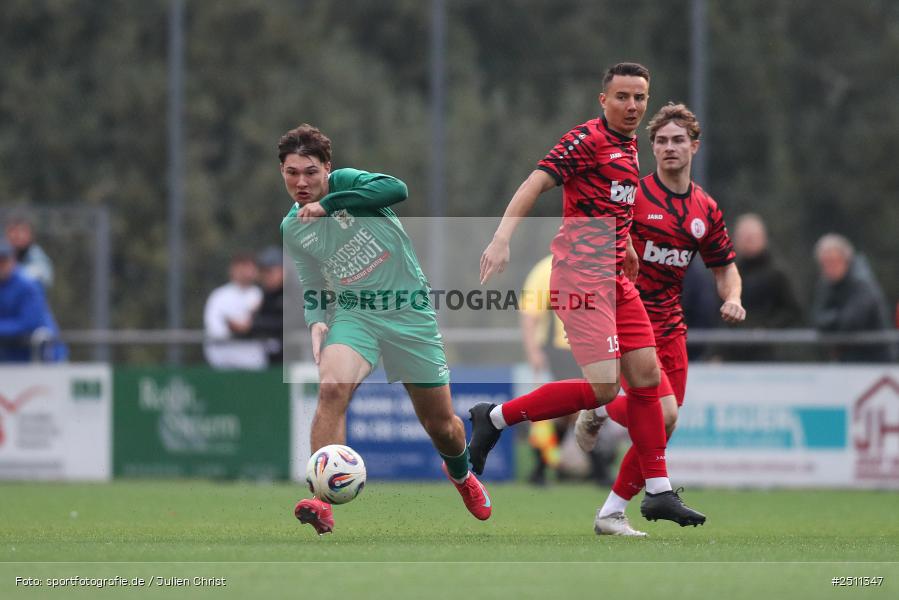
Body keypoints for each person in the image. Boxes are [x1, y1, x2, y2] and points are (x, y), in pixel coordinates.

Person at [474, 63, 705, 527]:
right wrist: (501, 238)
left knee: (648, 382)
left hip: (615, 279)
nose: (632, 105)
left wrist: (629, 247)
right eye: (622, 96)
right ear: (604, 100)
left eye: (640, 97)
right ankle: (494, 417)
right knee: (605, 388)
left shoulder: (629, 147)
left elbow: (612, 204)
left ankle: (658, 492)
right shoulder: (587, 140)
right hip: (580, 278)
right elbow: (536, 182)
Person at [279, 124, 492, 534]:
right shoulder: (293, 226)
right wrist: (316, 318)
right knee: (331, 389)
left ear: (327, 168)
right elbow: (310, 279)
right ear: (282, 173)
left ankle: (461, 474)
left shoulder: (348, 184)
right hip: (355, 314)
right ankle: (322, 501)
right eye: (292, 173)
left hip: (409, 312)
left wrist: (329, 205)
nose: (301, 182)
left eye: (310, 172)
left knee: (442, 426)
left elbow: (397, 189)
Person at [575, 103, 745, 536]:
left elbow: (725, 268)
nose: (670, 147)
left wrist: (734, 298)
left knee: (665, 423)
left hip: (671, 326)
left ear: (694, 147)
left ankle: (611, 510)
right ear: (652, 148)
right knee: (661, 413)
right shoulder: (634, 196)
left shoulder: (705, 208)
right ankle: (602, 408)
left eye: (678, 140)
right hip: (630, 318)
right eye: (662, 141)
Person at [520, 254, 620, 486]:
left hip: (591, 348)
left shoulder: (594, 265)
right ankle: (600, 470)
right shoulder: (546, 268)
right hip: (561, 350)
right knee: (582, 405)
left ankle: (539, 470)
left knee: (566, 413)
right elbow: (529, 314)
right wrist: (533, 351)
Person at [719, 213, 801, 360]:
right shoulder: (730, 273)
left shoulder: (777, 274)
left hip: (770, 355)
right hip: (734, 354)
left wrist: (767, 329)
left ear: (763, 238)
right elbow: (719, 314)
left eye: (751, 237)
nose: (747, 241)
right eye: (744, 237)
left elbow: (792, 312)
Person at [811, 233, 894, 362]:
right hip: (846, 359)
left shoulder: (862, 283)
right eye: (824, 263)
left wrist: (832, 319)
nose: (829, 267)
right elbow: (817, 319)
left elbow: (851, 323)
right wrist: (837, 318)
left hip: (875, 360)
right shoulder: (826, 284)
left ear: (846, 259)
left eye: (833, 261)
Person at [0, 237, 66, 362]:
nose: (1, 265)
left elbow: (29, 324)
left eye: (4, 260)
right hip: (10, 359)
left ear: (13, 260)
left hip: (43, 358)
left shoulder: (28, 284)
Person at [203, 252, 267, 370]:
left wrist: (250, 326)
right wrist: (236, 329)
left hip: (254, 362)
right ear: (233, 270)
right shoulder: (219, 296)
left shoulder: (260, 294)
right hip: (224, 361)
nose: (246, 272)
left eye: (249, 267)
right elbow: (215, 329)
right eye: (242, 267)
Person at [249, 246, 285, 365]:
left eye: (269, 271)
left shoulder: (298, 291)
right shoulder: (267, 294)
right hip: (272, 360)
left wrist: (254, 324)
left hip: (300, 359)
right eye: (263, 272)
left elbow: (291, 323)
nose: (266, 276)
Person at [5, 212, 54, 289]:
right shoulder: (4, 254)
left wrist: (11, 272)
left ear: (30, 234)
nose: (17, 235)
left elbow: (43, 277)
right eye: (13, 230)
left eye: (22, 231)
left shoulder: (36, 254)